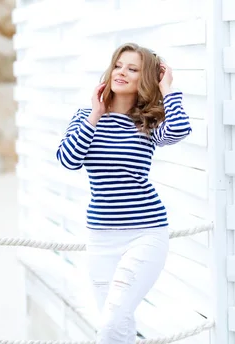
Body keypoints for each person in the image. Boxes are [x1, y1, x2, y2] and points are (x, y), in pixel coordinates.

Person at [55, 42, 192, 343]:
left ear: (143, 79)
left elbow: (180, 129)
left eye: (132, 69)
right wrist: (95, 114)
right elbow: (68, 159)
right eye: (118, 65)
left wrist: (167, 88)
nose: (121, 72)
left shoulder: (148, 121)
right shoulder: (85, 116)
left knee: (110, 324)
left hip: (144, 233)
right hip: (101, 237)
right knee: (118, 324)